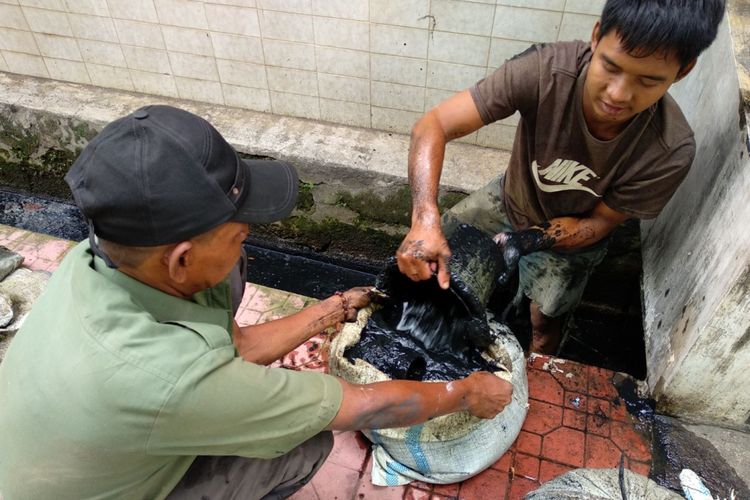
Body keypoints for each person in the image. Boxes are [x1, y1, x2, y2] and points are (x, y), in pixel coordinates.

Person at [0, 105, 513, 499]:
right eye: (239, 234)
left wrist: (336, 307)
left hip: (71, 451)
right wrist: (467, 392)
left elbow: (233, 349)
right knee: (304, 442)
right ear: (179, 259)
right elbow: (359, 405)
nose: (247, 241)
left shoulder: (92, 258)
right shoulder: (170, 379)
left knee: (226, 281)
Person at [396, 0, 725, 355]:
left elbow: (600, 224)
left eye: (648, 81)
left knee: (544, 321)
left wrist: (524, 243)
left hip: (573, 235)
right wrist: (424, 218)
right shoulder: (544, 70)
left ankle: (541, 364)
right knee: (432, 264)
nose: (618, 94)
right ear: (596, 37)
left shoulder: (668, 149)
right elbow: (433, 125)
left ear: (683, 71)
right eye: (610, 67)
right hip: (509, 198)